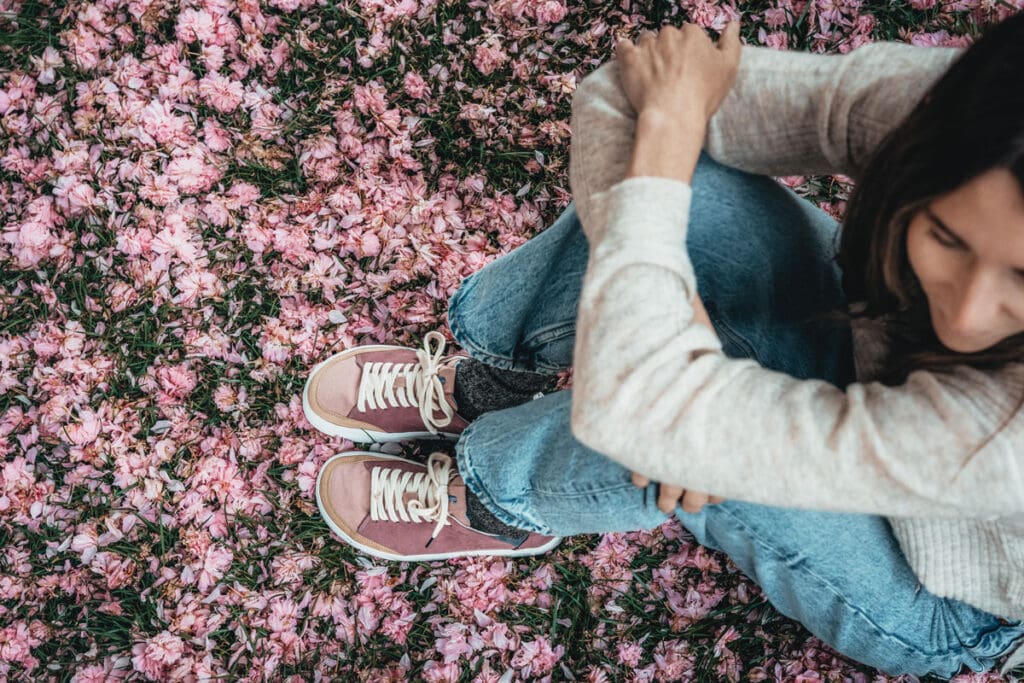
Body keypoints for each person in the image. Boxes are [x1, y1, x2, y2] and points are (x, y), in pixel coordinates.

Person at [302, 14, 1024, 678]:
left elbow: (654, 413)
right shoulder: (958, 114)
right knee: (673, 171)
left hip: (934, 587)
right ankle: (488, 381)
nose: (964, 313)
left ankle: (494, 500)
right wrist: (666, 247)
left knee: (679, 440)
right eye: (946, 237)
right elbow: (625, 94)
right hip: (865, 358)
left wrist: (669, 350)